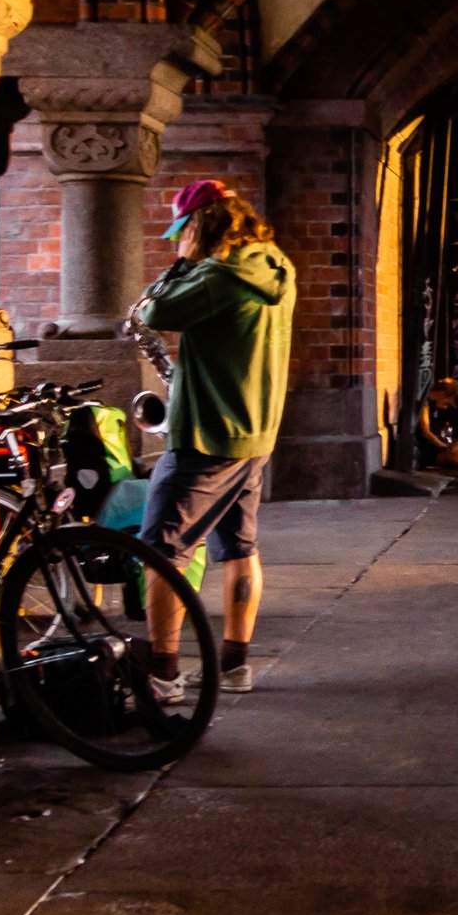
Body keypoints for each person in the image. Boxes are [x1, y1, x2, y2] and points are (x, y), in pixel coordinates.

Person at [135, 179, 295, 699]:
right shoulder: (275, 264)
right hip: (254, 433)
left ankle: (162, 675)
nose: (179, 241)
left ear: (199, 225)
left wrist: (181, 263)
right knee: (239, 546)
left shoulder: (217, 274)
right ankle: (234, 665)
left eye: (182, 232)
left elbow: (155, 312)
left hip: (205, 435)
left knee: (163, 550)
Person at [416, 377, 458, 468]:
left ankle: (453, 452)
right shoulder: (424, 406)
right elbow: (425, 432)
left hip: (432, 445)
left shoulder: (431, 407)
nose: (445, 408)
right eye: (446, 403)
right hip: (423, 448)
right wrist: (442, 446)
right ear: (441, 394)